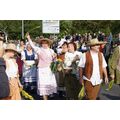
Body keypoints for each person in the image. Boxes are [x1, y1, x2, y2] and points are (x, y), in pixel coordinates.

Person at [27, 33, 57, 100]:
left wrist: (55, 57)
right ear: (41, 44)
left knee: (49, 84)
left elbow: (54, 60)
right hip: (42, 70)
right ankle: (45, 99)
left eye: (46, 43)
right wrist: (29, 38)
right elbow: (33, 46)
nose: (44, 44)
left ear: (48, 44)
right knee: (43, 84)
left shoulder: (51, 50)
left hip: (49, 69)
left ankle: (48, 96)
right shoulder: (39, 49)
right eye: (43, 43)